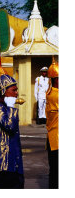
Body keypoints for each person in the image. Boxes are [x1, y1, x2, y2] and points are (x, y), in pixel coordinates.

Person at [0, 74, 24, 189]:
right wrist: (11, 107)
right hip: (0, 164)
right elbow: (10, 125)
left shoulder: (7, 108)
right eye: (14, 90)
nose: (16, 93)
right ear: (4, 91)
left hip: (14, 163)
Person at [45, 59, 59, 188]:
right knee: (56, 173)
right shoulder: (56, 95)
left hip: (54, 137)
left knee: (55, 171)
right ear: (56, 80)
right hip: (57, 139)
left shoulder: (52, 92)